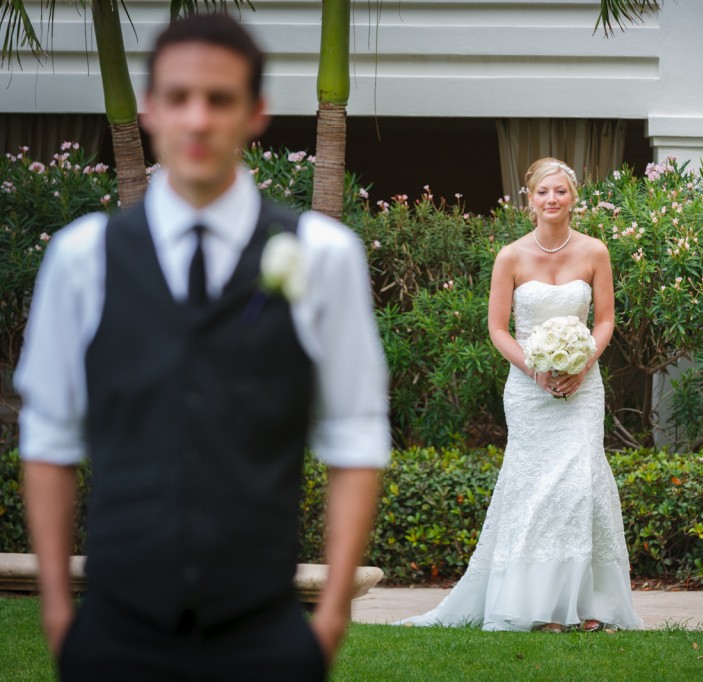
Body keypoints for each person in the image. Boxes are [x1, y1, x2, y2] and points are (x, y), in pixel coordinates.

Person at [15, 14, 389, 680]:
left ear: (256, 113)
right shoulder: (82, 258)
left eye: (219, 100)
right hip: (114, 632)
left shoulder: (322, 256)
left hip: (264, 635)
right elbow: (49, 439)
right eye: (178, 97)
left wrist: (328, 622)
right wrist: (56, 616)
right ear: (150, 109)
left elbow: (355, 436)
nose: (197, 120)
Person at [400, 158, 642, 632]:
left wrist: (583, 360)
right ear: (529, 200)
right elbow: (497, 328)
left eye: (561, 191)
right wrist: (535, 369)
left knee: (579, 488)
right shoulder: (510, 256)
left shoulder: (595, 251)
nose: (552, 200)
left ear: (574, 197)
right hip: (529, 389)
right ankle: (537, 608)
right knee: (535, 491)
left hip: (582, 386)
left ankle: (586, 606)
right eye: (543, 193)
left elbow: (606, 320)